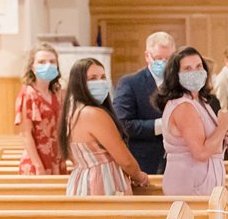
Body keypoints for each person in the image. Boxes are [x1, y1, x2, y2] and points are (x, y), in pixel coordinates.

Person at [59, 58, 149, 195]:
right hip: (102, 183)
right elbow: (125, 160)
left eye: (103, 77)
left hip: (81, 181)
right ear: (79, 84)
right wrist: (140, 176)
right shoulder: (93, 114)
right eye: (93, 78)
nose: (100, 82)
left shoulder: (72, 112)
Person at [155, 47, 228, 195]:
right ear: (176, 75)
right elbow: (201, 153)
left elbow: (212, 140)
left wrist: (227, 134)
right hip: (190, 183)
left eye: (198, 66)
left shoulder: (200, 101)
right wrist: (223, 126)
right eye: (188, 68)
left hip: (206, 182)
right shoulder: (183, 106)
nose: (195, 72)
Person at [113, 31, 175, 176]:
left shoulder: (178, 83)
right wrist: (162, 125)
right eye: (159, 58)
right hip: (144, 162)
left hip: (177, 162)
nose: (164, 63)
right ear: (147, 56)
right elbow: (124, 124)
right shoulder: (130, 83)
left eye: (169, 59)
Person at [15, 43, 64, 175]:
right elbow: (26, 135)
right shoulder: (28, 94)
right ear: (32, 67)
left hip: (56, 159)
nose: (48, 65)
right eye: (42, 62)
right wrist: (38, 166)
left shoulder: (57, 93)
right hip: (36, 160)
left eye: (52, 61)